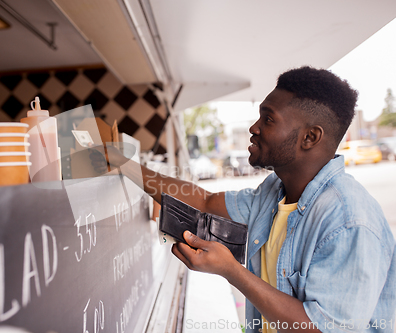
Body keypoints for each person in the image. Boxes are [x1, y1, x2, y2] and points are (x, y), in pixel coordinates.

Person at [92, 66, 396, 333]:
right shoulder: (275, 191)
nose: (254, 127)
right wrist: (123, 163)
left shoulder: (349, 220)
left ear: (310, 137)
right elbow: (205, 201)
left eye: (268, 119)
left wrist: (230, 270)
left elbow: (322, 328)